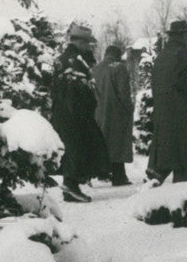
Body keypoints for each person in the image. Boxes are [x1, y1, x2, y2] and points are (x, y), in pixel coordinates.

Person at [50, 22, 110, 202]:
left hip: (72, 113)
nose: (88, 46)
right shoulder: (72, 60)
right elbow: (71, 90)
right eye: (86, 43)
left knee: (79, 147)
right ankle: (71, 185)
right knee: (75, 148)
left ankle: (72, 185)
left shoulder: (74, 59)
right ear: (78, 42)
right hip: (73, 114)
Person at [147, 20, 187, 184]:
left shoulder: (162, 55)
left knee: (171, 156)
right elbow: (182, 81)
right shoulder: (182, 54)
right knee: (184, 162)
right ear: (182, 36)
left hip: (164, 112)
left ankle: (155, 178)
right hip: (182, 113)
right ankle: (179, 202)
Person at [91, 44, 134, 186]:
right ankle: (119, 176)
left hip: (98, 112)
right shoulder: (119, 68)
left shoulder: (95, 69)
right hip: (116, 112)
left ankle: (101, 173)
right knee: (117, 142)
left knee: (102, 141)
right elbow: (124, 94)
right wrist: (129, 109)